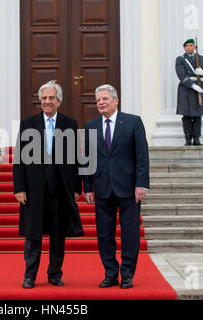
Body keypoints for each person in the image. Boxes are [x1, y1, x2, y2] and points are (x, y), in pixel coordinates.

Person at [13, 80, 84, 289]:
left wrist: (76, 188)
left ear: (59, 101)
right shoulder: (28, 123)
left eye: (51, 98)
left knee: (57, 235)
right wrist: (19, 187)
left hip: (60, 188)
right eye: (44, 98)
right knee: (33, 235)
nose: (47, 102)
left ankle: (55, 274)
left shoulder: (69, 124)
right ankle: (30, 276)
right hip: (34, 190)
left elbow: (75, 159)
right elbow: (19, 158)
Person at [83, 84, 150, 289]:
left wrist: (141, 185)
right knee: (104, 234)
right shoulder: (91, 126)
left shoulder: (133, 122)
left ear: (115, 100)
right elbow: (87, 158)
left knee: (130, 233)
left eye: (105, 99)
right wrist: (87, 187)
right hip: (102, 187)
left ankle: (127, 274)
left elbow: (142, 156)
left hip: (128, 188)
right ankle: (110, 273)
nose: (101, 103)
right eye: (98, 100)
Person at [176, 39, 203, 146]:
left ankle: (196, 139)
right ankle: (188, 139)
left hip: (199, 88)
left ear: (194, 47)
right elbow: (181, 75)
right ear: (184, 48)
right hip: (186, 89)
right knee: (186, 116)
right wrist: (192, 85)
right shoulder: (181, 60)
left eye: (191, 45)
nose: (189, 47)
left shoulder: (201, 59)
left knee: (198, 116)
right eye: (187, 45)